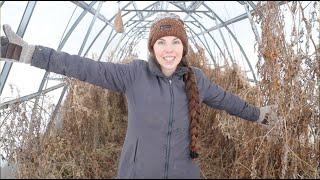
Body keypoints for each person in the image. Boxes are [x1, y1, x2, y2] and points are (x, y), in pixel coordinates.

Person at [0, 13, 278, 179]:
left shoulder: (198, 80)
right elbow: (82, 67)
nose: (169, 49)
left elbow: (229, 101)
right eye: (161, 42)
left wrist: (259, 114)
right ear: (152, 47)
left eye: (175, 42)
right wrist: (30, 53)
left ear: (184, 47)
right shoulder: (133, 75)